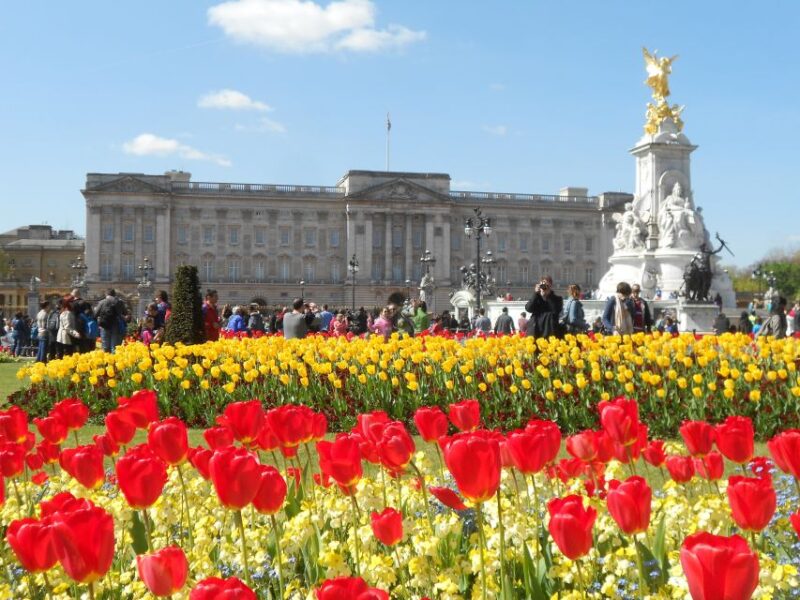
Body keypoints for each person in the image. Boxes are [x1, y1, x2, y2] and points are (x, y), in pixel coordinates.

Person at [95, 289, 125, 353]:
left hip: (104, 326)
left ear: (106, 294)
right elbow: (125, 313)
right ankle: (114, 362)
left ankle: (106, 361)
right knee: (114, 347)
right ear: (114, 294)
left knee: (105, 347)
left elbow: (95, 314)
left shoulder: (101, 302)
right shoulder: (119, 302)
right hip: (116, 326)